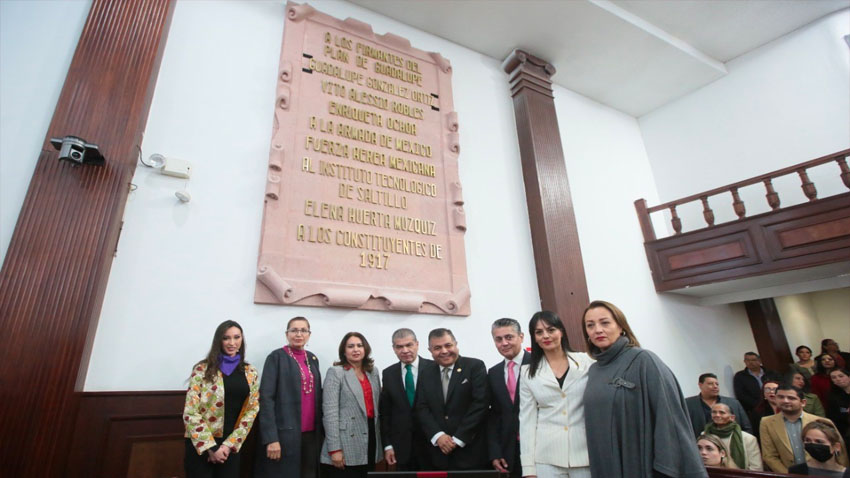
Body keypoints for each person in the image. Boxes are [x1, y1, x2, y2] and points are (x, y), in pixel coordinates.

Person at [582, 300, 707, 478]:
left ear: (621, 327)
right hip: (605, 465)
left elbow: (669, 417)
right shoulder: (593, 371)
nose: (598, 330)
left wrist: (665, 466)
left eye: (605, 322)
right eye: (590, 325)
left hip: (641, 465)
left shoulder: (644, 360)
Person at [518, 311, 593, 478]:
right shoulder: (527, 373)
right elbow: (527, 421)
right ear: (534, 338)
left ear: (561, 331)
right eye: (539, 332)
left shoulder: (586, 362)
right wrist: (528, 468)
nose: (546, 336)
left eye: (551, 330)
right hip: (546, 458)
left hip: (584, 454)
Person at [183, 320, 260, 478]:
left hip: (230, 446)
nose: (232, 343)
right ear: (219, 340)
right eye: (226, 338)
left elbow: (252, 410)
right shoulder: (202, 369)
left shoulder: (250, 371)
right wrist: (210, 448)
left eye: (236, 337)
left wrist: (228, 445)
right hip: (201, 444)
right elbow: (190, 411)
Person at [255, 317, 323, 478]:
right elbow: (266, 399)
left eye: (303, 330)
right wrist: (271, 438)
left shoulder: (312, 359)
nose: (299, 334)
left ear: (309, 335)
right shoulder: (276, 358)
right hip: (284, 436)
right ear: (287, 334)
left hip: (311, 435)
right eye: (294, 330)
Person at [415, 328, 489, 470]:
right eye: (437, 348)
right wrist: (438, 436)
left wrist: (458, 438)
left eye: (448, 345)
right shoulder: (426, 373)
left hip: (471, 450)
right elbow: (421, 407)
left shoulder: (474, 366)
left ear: (456, 344)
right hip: (438, 453)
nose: (444, 351)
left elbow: (480, 404)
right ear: (430, 351)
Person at [320, 332, 382, 478]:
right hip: (346, 439)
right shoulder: (336, 372)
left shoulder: (373, 372)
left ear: (365, 349)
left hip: (371, 436)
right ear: (344, 351)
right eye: (351, 346)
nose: (356, 349)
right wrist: (334, 449)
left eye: (360, 346)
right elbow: (330, 413)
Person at [759, 384, 848, 473]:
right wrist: (789, 475)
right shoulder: (766, 422)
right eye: (781, 397)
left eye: (791, 398)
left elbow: (840, 452)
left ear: (803, 402)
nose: (785, 401)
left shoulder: (820, 421)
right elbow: (769, 456)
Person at [379, 328, 434, 471]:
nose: (405, 350)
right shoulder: (388, 373)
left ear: (417, 344)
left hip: (433, 444)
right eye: (399, 347)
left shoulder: (434, 368)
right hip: (402, 448)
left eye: (409, 345)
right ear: (394, 349)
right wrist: (387, 445)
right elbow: (385, 413)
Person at [486, 318, 529, 477]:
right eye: (498, 339)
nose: (504, 343)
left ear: (521, 337)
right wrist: (495, 452)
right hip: (508, 451)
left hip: (540, 446)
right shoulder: (494, 373)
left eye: (509, 337)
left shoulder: (539, 364)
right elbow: (493, 415)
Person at [685, 372, 752, 437]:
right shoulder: (688, 404)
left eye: (717, 384)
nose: (715, 386)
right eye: (710, 384)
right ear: (700, 385)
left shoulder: (733, 403)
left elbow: (746, 427)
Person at [703, 402, 762, 470]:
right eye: (714, 412)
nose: (717, 415)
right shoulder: (704, 435)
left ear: (732, 417)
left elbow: (756, 468)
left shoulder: (748, 438)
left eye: (722, 412)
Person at [733, 352, 777, 416]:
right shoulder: (740, 376)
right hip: (755, 409)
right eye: (747, 360)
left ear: (760, 361)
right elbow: (741, 395)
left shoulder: (771, 373)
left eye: (753, 360)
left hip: (775, 404)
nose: (750, 362)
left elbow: (781, 387)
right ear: (744, 361)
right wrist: (759, 404)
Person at [827, 368, 850, 439]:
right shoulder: (833, 396)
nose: (838, 379)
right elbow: (835, 413)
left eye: (841, 376)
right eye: (834, 377)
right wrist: (846, 411)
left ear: (849, 377)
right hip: (845, 428)